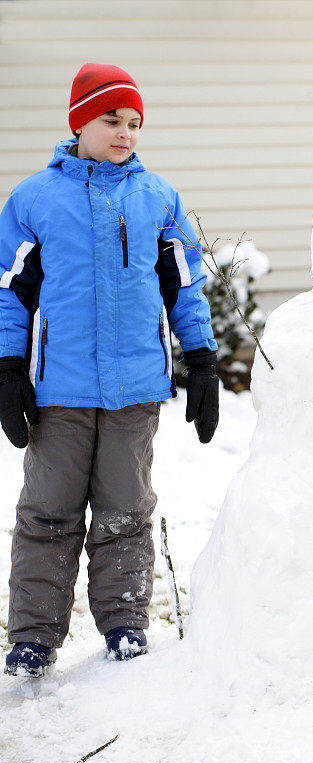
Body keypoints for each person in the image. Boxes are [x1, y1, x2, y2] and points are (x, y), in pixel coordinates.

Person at [0, 63, 218, 676]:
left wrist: (200, 358)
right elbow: (9, 293)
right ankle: (34, 638)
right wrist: (7, 368)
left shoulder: (158, 198)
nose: (125, 132)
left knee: (126, 511)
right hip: (58, 390)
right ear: (78, 123)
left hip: (135, 389)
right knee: (48, 514)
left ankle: (124, 626)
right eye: (111, 120)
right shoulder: (33, 200)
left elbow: (185, 284)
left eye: (134, 123)